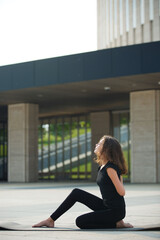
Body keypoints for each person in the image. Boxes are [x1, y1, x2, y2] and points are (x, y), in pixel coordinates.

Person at [33, 135, 133, 229]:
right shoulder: (102, 168)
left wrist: (119, 176)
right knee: (76, 193)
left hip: (115, 211)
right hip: (106, 206)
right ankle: (50, 220)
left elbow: (122, 192)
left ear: (106, 149)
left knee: (80, 221)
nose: (96, 145)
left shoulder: (110, 169)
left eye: (99, 144)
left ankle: (117, 223)